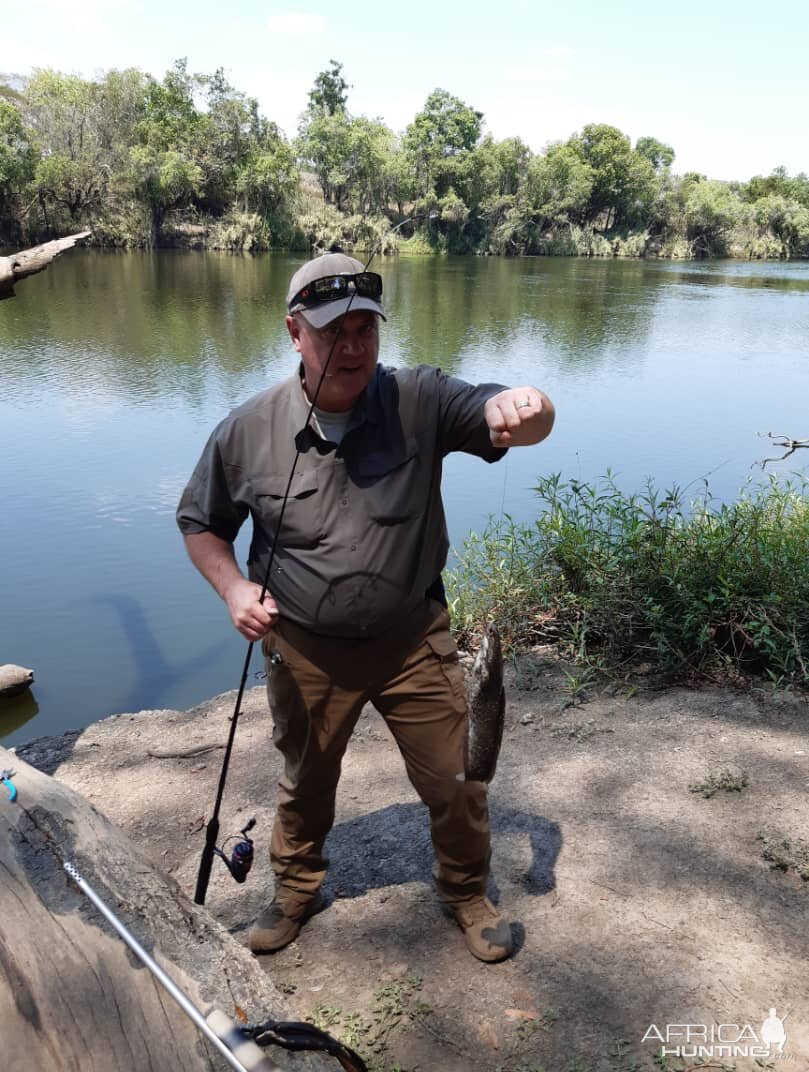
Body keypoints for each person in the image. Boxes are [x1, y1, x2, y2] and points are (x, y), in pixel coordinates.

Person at [176, 253, 555, 963]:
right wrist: (233, 588)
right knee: (305, 779)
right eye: (332, 332)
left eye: (365, 330)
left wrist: (527, 405)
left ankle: (468, 893)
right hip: (305, 646)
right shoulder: (246, 429)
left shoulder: (420, 398)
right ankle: (295, 891)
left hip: (412, 637)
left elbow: (508, 418)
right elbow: (201, 524)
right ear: (295, 332)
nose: (351, 347)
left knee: (458, 777)